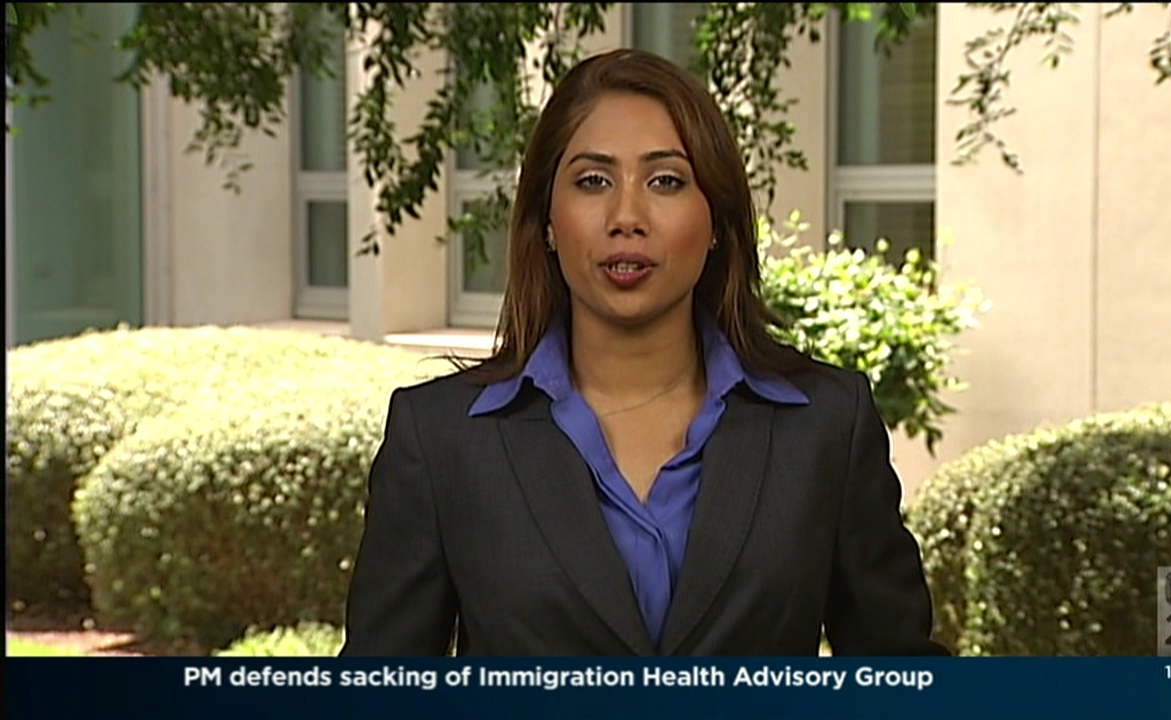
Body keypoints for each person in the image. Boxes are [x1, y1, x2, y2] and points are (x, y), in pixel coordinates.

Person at [339, 47, 949, 657]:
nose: (626, 216)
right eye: (592, 181)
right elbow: (377, 692)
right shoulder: (440, 439)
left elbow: (903, 680)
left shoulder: (826, 425)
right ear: (547, 221)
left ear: (716, 222)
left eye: (665, 181)